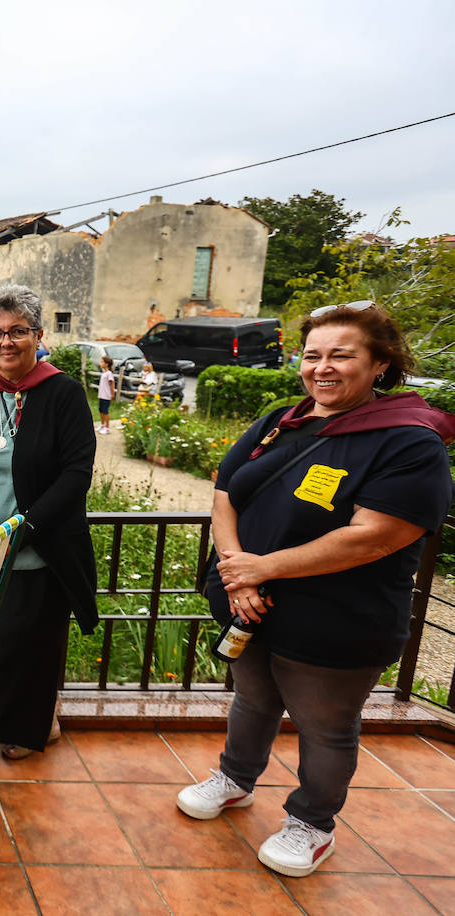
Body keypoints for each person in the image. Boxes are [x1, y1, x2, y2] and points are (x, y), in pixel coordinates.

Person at [180, 301, 455, 878]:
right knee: (252, 698)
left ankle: (312, 822)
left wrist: (261, 569)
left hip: (337, 618)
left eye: (341, 356)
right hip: (249, 603)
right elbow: (226, 490)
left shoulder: (409, 442)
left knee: (327, 726)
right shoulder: (286, 419)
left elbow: (373, 537)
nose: (321, 368)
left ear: (380, 364)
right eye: (312, 356)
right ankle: (235, 780)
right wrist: (237, 572)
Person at [0, 284, 97, 778]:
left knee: (21, 646)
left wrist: (23, 529)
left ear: (38, 335)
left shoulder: (63, 395)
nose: (7, 342)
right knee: (4, 645)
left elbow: (76, 472)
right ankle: (33, 722)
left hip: (39, 549)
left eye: (18, 332)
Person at [96, 355, 115, 435]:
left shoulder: (109, 374)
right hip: (101, 395)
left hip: (106, 396)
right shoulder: (104, 374)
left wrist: (112, 394)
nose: (100, 363)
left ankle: (107, 428)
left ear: (107, 364)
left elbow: (112, 384)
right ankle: (102, 425)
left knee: (105, 411)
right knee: (101, 410)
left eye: (102, 362)